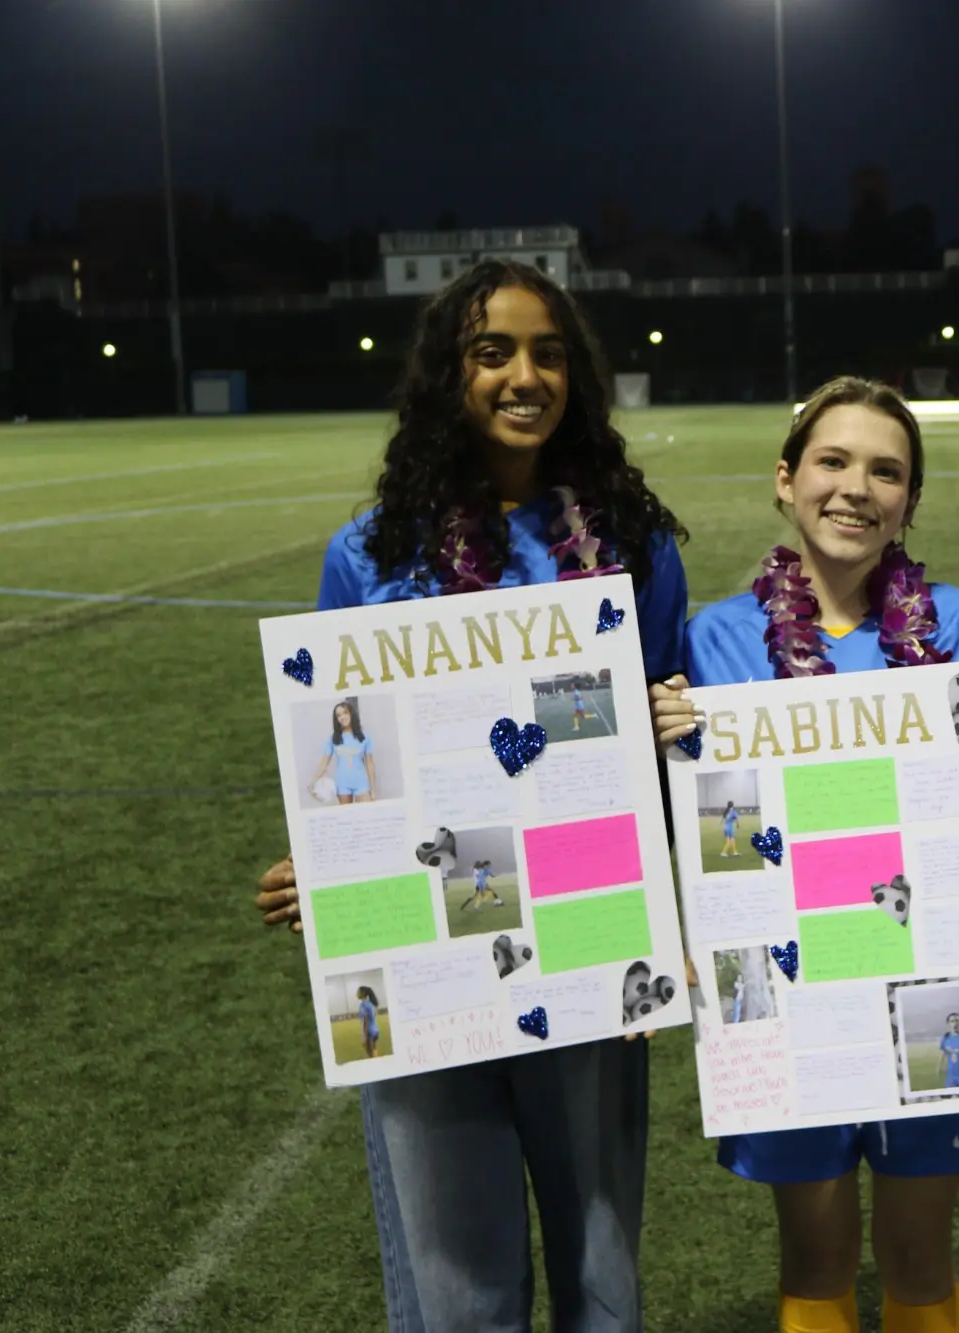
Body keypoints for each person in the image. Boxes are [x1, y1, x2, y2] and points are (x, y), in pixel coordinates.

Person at [252, 258, 688, 1332]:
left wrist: (663, 917)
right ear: (450, 374)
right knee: (458, 1293)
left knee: (600, 1273)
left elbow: (667, 749)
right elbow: (344, 751)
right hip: (430, 947)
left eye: (547, 351)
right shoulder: (370, 553)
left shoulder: (633, 547)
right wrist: (326, 859)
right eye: (492, 352)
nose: (523, 374)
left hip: (588, 934)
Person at [649, 375, 959, 1333]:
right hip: (788, 986)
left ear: (910, 498)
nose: (855, 486)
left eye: (886, 470)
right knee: (815, 1249)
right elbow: (689, 823)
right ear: (786, 479)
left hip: (932, 974)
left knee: (917, 1248)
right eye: (832, 460)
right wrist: (664, 740)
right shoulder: (715, 638)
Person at [309, 700, 376, 803]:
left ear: (351, 714)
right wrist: (312, 783)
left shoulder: (365, 738)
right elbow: (324, 764)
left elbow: (370, 764)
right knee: (347, 817)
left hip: (361, 781)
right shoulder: (333, 739)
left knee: (365, 815)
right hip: (342, 783)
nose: (342, 717)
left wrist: (373, 790)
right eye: (338, 715)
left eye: (345, 713)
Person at [357, 985, 382, 1060]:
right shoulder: (371, 1003)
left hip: (369, 1032)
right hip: (375, 1031)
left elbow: (365, 1021)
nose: (357, 993)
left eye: (358, 991)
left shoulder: (363, 1005)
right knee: (374, 1050)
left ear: (363, 993)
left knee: (370, 1055)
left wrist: (364, 1036)